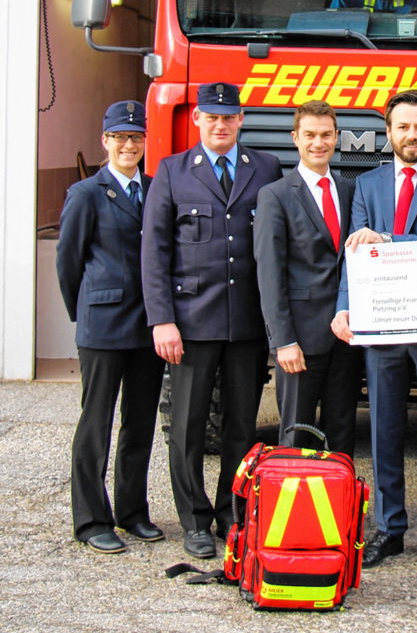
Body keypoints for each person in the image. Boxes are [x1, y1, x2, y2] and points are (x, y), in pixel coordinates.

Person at [331, 89, 417, 578]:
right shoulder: (365, 185)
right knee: (384, 430)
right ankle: (389, 530)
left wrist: (388, 240)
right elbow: (354, 253)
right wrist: (344, 307)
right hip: (381, 323)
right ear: (387, 132)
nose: (412, 135)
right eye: (403, 127)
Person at [141, 81, 282, 560]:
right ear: (197, 120)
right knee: (188, 426)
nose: (220, 125)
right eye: (211, 117)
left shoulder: (265, 167)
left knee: (242, 426)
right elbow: (154, 251)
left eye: (229, 117)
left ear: (241, 120)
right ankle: (195, 520)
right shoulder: (173, 171)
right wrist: (162, 320)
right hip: (191, 324)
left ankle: (231, 513)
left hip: (245, 323)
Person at [56, 101, 164, 554]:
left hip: (147, 327)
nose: (128, 145)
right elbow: (68, 262)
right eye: (120, 137)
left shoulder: (157, 189)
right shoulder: (86, 193)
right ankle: (91, 519)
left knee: (139, 425)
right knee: (96, 423)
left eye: (136, 137)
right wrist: (84, 310)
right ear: (105, 141)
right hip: (103, 326)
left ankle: (132, 511)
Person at [253, 100, 362, 456]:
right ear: (295, 139)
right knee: (296, 437)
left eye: (326, 135)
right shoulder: (276, 196)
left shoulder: (349, 190)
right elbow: (270, 274)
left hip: (345, 338)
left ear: (336, 138)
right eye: (310, 135)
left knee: (343, 433)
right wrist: (283, 340)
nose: (319, 143)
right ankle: (292, 511)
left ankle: (338, 509)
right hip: (299, 342)